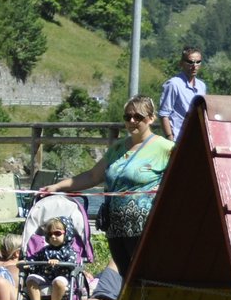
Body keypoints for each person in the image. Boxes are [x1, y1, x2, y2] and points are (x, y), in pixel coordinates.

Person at [42, 95, 172, 271]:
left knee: (148, 277)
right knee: (126, 279)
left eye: (138, 117)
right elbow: (92, 176)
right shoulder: (118, 148)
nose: (132, 121)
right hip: (115, 229)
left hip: (146, 230)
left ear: (151, 118)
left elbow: (181, 180)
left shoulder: (166, 148)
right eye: (127, 117)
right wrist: (57, 187)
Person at [23, 217, 79, 300]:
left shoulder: (69, 251)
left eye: (57, 233)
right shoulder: (44, 250)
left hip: (62, 278)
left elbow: (73, 264)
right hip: (45, 278)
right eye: (50, 234)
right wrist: (28, 263)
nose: (53, 237)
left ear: (67, 234)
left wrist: (60, 263)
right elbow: (34, 259)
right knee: (30, 279)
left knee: (58, 281)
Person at [157, 47, 206, 140]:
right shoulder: (173, 84)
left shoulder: (201, 86)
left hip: (196, 138)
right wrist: (170, 138)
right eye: (190, 62)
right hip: (178, 139)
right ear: (181, 63)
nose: (194, 65)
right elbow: (164, 114)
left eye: (198, 62)